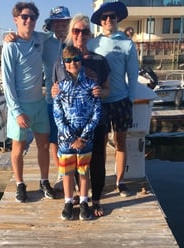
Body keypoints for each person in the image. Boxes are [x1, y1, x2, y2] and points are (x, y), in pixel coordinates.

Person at [52, 14, 111, 217]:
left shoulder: (99, 60)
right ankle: (74, 198)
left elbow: (106, 90)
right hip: (68, 129)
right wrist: (53, 91)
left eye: (84, 31)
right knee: (71, 166)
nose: (80, 35)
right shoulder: (61, 60)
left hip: (93, 125)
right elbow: (54, 89)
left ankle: (95, 200)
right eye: (76, 31)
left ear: (89, 34)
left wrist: (99, 92)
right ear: (71, 33)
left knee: (95, 162)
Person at [1, 2, 55, 203]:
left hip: (39, 103)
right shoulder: (10, 46)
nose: (29, 20)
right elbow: (7, 83)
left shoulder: (40, 38)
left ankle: (44, 180)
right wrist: (16, 111)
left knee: (43, 145)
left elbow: (56, 34)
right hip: (20, 107)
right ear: (16, 19)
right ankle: (20, 184)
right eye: (24, 17)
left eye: (33, 17)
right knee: (18, 148)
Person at [87, 1, 139, 197]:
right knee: (99, 144)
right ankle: (98, 179)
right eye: (104, 17)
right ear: (100, 21)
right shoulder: (92, 43)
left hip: (121, 100)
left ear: (117, 18)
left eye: (112, 16)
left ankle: (120, 181)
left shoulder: (127, 43)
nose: (108, 20)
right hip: (99, 102)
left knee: (120, 141)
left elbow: (133, 75)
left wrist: (131, 99)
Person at [53, 46, 101, 220]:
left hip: (85, 139)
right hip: (66, 140)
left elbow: (97, 113)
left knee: (83, 171)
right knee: (67, 172)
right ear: (64, 64)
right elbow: (57, 115)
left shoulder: (91, 86)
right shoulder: (59, 88)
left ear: (81, 61)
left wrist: (83, 137)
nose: (72, 63)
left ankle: (83, 201)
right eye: (68, 60)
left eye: (75, 59)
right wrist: (71, 138)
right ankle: (68, 201)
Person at [42, 6, 72, 191]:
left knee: (72, 137)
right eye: (57, 22)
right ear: (51, 25)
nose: (61, 25)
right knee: (54, 139)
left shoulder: (76, 42)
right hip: (52, 101)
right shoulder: (45, 43)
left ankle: (75, 172)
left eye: (64, 22)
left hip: (73, 101)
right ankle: (61, 172)